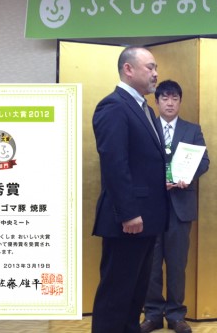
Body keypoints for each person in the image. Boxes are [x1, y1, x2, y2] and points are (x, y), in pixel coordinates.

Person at [90, 47, 169, 333]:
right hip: (128, 221)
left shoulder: (144, 109)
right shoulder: (113, 106)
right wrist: (129, 213)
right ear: (128, 69)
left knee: (134, 298)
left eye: (155, 67)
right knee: (116, 296)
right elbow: (114, 163)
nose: (155, 74)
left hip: (146, 221)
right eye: (150, 67)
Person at [141, 80, 210, 333]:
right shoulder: (147, 128)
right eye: (165, 99)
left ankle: (176, 315)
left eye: (175, 99)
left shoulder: (193, 129)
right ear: (156, 102)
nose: (170, 103)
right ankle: (152, 314)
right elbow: (140, 162)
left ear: (180, 102)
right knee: (151, 262)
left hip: (181, 205)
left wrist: (188, 175)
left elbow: (204, 161)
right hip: (152, 206)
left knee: (177, 263)